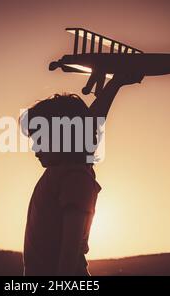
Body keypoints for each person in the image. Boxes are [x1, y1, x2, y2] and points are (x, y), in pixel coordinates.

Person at [21, 73, 141, 276]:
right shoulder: (63, 171)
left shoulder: (75, 178)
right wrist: (114, 85)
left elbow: (70, 246)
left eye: (40, 139)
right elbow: (91, 122)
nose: (35, 148)